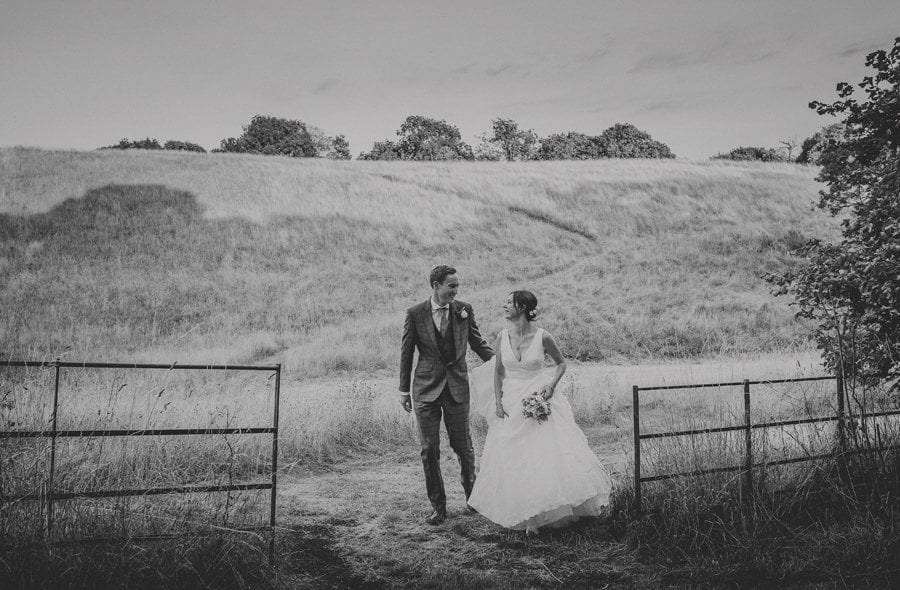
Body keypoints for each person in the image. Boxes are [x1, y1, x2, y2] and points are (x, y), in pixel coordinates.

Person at [467, 290, 611, 532]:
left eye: (508, 303)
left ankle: (549, 508)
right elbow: (498, 372)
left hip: (538, 396)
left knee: (543, 452)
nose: (504, 306)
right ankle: (523, 512)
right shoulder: (503, 336)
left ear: (521, 307)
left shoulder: (543, 337)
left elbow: (562, 363)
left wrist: (551, 386)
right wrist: (499, 403)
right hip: (511, 401)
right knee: (514, 455)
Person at [399, 265, 494, 525]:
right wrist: (403, 390)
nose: (455, 290)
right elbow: (406, 353)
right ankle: (438, 508)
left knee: (464, 447)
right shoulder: (415, 313)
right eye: (451, 286)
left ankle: (473, 499)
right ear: (436, 285)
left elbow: (478, 343)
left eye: (457, 286)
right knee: (429, 450)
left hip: (456, 387)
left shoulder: (464, 310)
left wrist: (500, 364)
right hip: (425, 390)